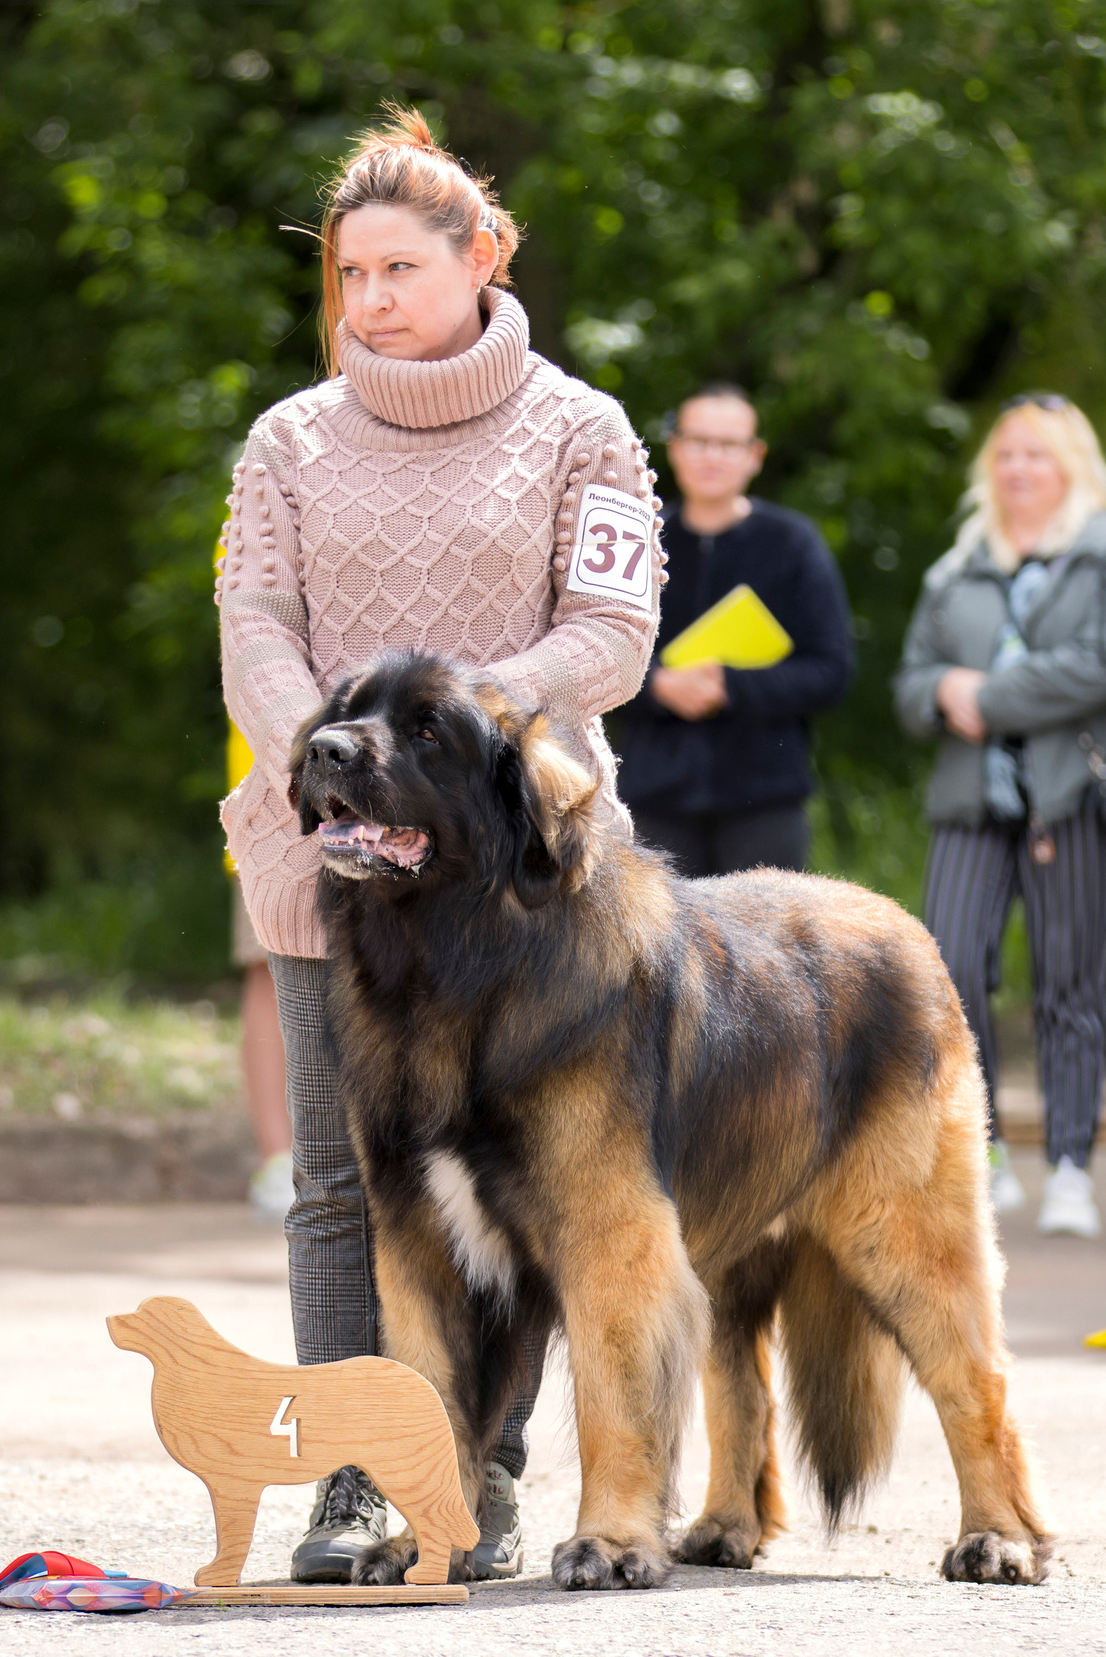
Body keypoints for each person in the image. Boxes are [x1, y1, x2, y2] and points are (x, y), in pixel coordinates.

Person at [216, 106, 661, 1582]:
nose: (368, 302)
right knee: (347, 1178)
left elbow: (612, 633)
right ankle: (355, 1477)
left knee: (530, 1169)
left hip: (523, 869)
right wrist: (334, 755)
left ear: (485, 256)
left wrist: (468, 727)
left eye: (398, 268)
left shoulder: (581, 429)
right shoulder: (286, 441)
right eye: (349, 276)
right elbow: (255, 624)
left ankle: (489, 1473)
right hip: (327, 853)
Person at [893, 395, 1106, 1238]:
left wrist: (991, 695)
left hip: (1069, 796)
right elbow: (910, 684)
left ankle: (1072, 1167)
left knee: (1069, 985)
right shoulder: (959, 565)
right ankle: (990, 1152)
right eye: (1005, 455)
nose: (1017, 470)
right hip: (971, 802)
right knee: (952, 973)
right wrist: (941, 693)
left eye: (1036, 456)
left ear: (1071, 466)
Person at [614, 383, 853, 876]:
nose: (712, 457)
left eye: (729, 444)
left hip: (763, 797)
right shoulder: (637, 541)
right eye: (699, 441)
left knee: (767, 951)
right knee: (657, 953)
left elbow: (831, 670)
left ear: (755, 455)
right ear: (675, 449)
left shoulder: (792, 544)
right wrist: (658, 685)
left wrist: (730, 685)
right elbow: (591, 654)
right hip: (653, 798)